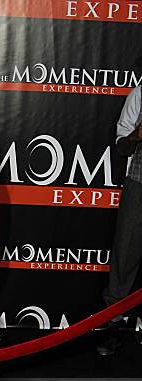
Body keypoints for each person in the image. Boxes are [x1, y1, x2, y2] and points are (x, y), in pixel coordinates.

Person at [97, 84, 142, 356]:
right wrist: (137, 135)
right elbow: (122, 145)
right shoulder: (140, 93)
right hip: (139, 183)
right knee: (125, 258)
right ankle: (113, 326)